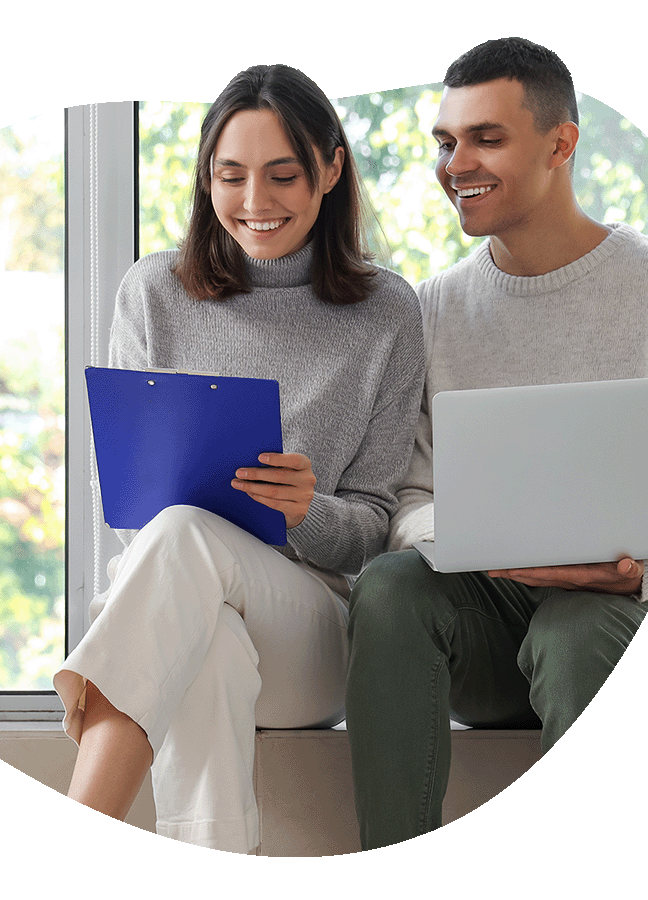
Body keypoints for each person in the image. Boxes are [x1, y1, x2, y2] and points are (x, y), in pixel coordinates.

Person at [345, 36, 648, 850]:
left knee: (573, 628)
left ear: (561, 143)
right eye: (445, 142)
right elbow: (410, 497)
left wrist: (632, 575)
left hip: (616, 622)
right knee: (386, 588)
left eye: (486, 137)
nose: (456, 163)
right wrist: (467, 542)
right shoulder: (437, 306)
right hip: (485, 616)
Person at [53, 63, 425, 854]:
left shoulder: (387, 311)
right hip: (178, 619)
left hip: (310, 632)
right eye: (230, 176)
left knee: (186, 540)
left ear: (330, 168)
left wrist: (305, 509)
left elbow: (370, 531)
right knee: (206, 633)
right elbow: (123, 508)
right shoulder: (152, 291)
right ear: (204, 179)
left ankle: (71, 848)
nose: (254, 203)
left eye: (282, 175)